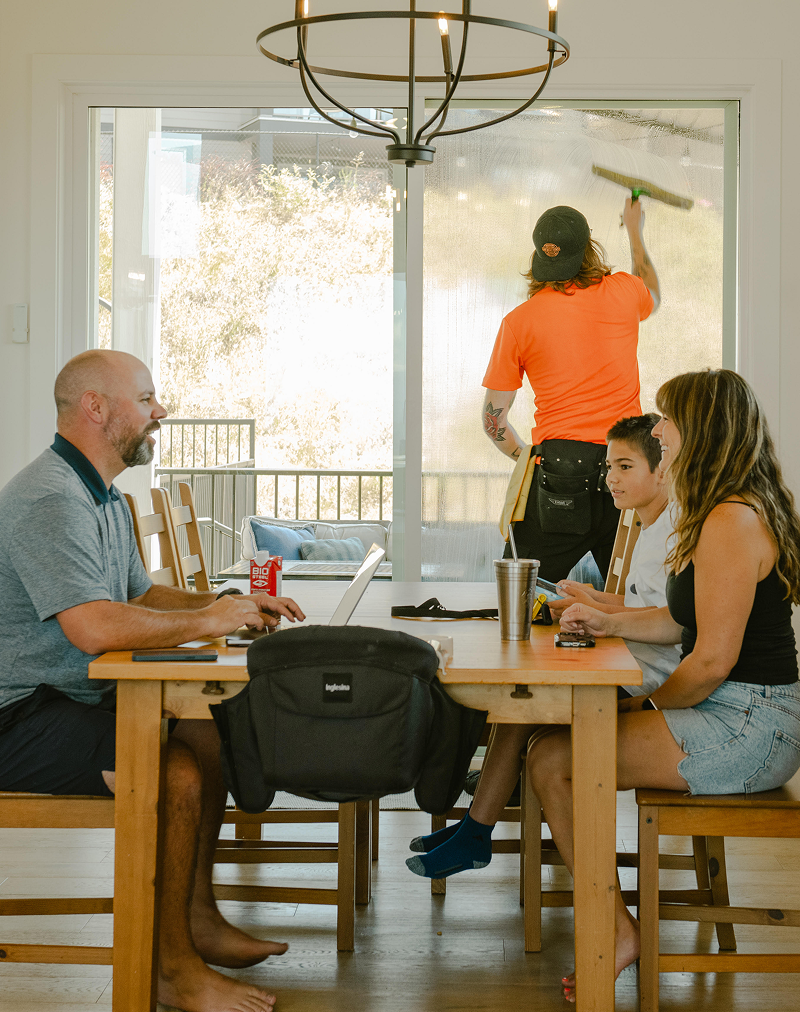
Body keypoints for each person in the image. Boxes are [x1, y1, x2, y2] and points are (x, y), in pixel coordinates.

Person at [0, 349, 306, 1012]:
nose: (160, 410)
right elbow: (95, 628)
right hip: (18, 717)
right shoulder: (50, 499)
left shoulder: (102, 494)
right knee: (174, 773)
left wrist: (227, 604)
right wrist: (213, 618)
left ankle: (195, 922)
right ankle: (170, 970)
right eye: (146, 398)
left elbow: (140, 596)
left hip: (68, 699)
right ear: (96, 409)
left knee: (204, 730)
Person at [529, 369, 800, 1002]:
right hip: (738, 710)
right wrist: (608, 617)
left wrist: (646, 703)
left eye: (667, 419)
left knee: (557, 761)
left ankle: (615, 928)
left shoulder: (731, 519)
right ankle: (615, 921)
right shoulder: (721, 507)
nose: (659, 430)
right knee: (552, 751)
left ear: (700, 429)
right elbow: (680, 619)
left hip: (750, 722)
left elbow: (709, 663)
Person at [406, 414, 679, 879]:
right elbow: (644, 603)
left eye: (625, 466)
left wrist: (604, 619)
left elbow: (668, 620)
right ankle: (474, 830)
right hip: (628, 655)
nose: (610, 478)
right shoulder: (646, 524)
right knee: (521, 695)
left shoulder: (671, 528)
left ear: (662, 470)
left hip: (639, 674)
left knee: (523, 699)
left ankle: (474, 832)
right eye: (608, 467)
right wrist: (592, 599)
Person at [482, 199, 660, 581]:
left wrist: (523, 457)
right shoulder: (626, 291)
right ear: (588, 251)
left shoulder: (518, 322)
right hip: (627, 464)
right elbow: (653, 294)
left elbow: (492, 419)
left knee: (519, 591)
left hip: (559, 468)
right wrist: (634, 231)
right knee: (636, 597)